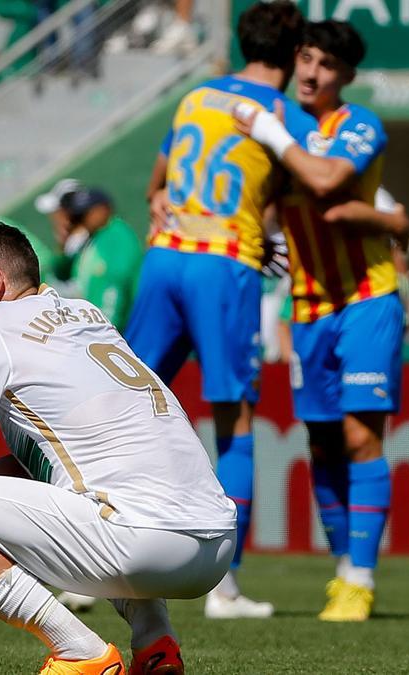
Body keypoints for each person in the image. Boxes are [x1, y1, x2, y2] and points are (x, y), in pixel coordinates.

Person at [0, 224, 235, 674]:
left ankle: (82, 655)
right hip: (215, 548)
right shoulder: (84, 313)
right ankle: (156, 646)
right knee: (91, 493)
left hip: (141, 541)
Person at [127, 0, 311, 619]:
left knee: (120, 403)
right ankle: (223, 587)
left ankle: (85, 564)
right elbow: (314, 180)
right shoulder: (285, 111)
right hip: (224, 261)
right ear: (292, 56)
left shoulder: (196, 98)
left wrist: (157, 198)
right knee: (234, 416)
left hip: (165, 255)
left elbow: (154, 178)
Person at [235, 20, 409, 623]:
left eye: (327, 65)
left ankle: (359, 579)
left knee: (362, 437)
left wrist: (377, 219)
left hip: (368, 298)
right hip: (307, 309)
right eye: (305, 59)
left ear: (347, 77)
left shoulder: (356, 125)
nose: (312, 73)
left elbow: (329, 179)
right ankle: (343, 568)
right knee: (320, 442)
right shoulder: (282, 130)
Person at [48, 187, 143, 330]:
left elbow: (117, 281)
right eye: (79, 216)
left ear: (103, 208)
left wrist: (107, 327)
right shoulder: (91, 240)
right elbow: (60, 272)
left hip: (124, 328)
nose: (83, 220)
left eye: (86, 213)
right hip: (104, 328)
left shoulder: (115, 234)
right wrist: (63, 243)